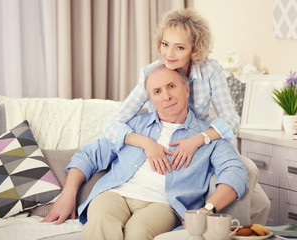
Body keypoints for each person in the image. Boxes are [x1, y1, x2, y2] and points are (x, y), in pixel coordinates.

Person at [102, 8, 270, 224]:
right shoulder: (152, 74)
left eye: (179, 47)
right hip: (178, 154)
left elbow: (231, 118)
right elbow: (111, 124)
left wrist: (199, 139)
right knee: (252, 196)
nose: (169, 54)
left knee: (262, 204)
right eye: (165, 44)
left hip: (208, 144)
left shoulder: (210, 70)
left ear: (195, 49)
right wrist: (146, 143)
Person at [42, 64, 248, 240]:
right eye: (157, 92)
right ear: (150, 99)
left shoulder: (208, 135)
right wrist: (68, 193)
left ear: (186, 90)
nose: (166, 96)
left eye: (171, 86)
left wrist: (206, 210)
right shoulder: (133, 127)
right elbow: (89, 155)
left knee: (138, 232)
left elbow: (235, 173)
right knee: (101, 222)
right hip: (115, 194)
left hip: (162, 205)